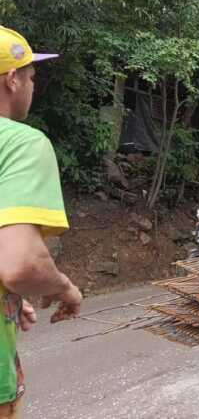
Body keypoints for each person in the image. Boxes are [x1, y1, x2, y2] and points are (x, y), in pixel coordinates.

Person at [0, 26, 83, 417]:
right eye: (31, 77)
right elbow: (23, 264)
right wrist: (65, 287)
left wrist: (8, 297)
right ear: (12, 80)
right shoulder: (20, 142)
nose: (33, 86)